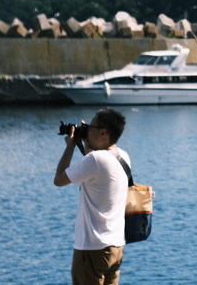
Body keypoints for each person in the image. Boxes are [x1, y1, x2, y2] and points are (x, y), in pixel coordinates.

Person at [54, 108, 130, 285]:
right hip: (115, 247)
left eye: (91, 127)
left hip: (92, 248)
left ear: (103, 132)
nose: (87, 130)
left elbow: (59, 179)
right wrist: (88, 140)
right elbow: (94, 167)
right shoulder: (122, 156)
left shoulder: (96, 160)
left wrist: (71, 146)